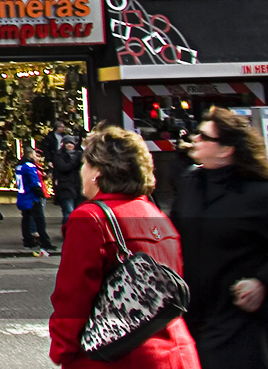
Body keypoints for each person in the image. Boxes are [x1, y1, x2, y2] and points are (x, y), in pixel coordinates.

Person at [49, 126, 199, 369]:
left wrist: (63, 351)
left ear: (98, 171)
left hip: (121, 355)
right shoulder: (157, 215)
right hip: (176, 352)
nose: (82, 172)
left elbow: (72, 298)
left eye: (85, 165)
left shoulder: (91, 218)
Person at [171, 106, 268, 369]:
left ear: (226, 149)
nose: (196, 139)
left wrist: (261, 282)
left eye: (204, 136)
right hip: (190, 317)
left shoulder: (258, 194)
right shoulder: (189, 183)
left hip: (237, 321)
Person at [16, 147, 55, 253]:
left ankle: (27, 241)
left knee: (26, 219)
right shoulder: (30, 166)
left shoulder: (19, 166)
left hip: (22, 195)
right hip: (31, 196)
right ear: (30, 155)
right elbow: (34, 182)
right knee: (39, 219)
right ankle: (45, 241)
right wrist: (40, 193)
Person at [52, 136, 85, 226]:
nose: (70, 145)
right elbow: (63, 167)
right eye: (67, 143)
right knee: (69, 211)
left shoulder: (79, 154)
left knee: (78, 211)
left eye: (71, 143)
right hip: (65, 186)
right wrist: (75, 162)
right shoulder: (59, 155)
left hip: (77, 186)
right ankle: (68, 231)